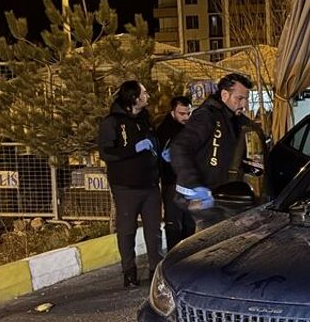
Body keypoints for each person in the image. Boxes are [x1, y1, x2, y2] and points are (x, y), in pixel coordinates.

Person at [97, 80, 162, 288]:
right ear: (134, 98)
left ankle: (156, 270)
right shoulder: (112, 122)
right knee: (127, 231)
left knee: (154, 231)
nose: (148, 96)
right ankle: (129, 271)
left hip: (150, 184)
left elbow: (155, 144)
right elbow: (106, 153)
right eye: (144, 93)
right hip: (126, 187)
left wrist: (160, 156)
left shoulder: (145, 119)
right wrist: (133, 149)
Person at [170, 72, 254, 228]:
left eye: (246, 99)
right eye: (239, 98)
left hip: (224, 196)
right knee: (213, 238)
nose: (244, 104)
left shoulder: (234, 119)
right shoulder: (206, 116)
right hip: (206, 197)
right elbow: (179, 147)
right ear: (224, 95)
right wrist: (195, 185)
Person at [154, 95, 195, 250]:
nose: (186, 117)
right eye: (182, 114)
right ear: (173, 112)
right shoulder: (164, 131)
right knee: (174, 224)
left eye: (188, 113)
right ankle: (175, 256)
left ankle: (188, 256)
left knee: (189, 223)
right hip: (173, 183)